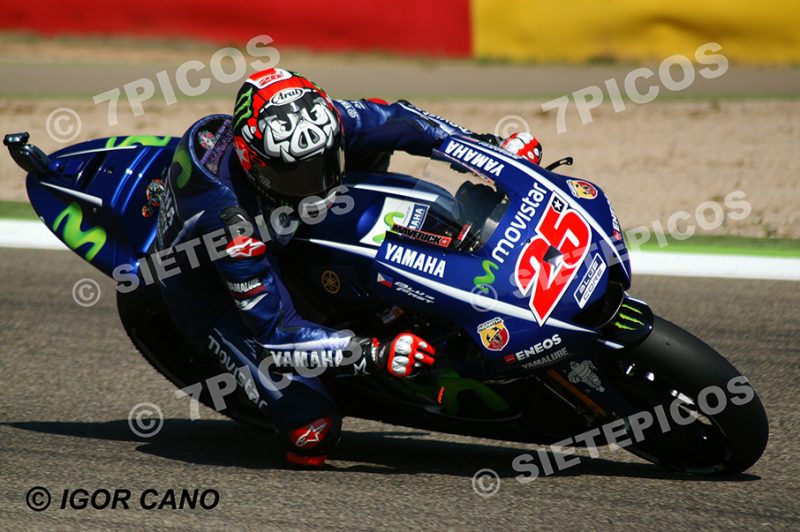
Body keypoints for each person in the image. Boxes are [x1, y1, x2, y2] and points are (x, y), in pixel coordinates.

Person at [155, 67, 543, 467]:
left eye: (322, 165)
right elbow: (276, 332)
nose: (316, 186)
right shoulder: (234, 229)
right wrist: (372, 354)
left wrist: (493, 152)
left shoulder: (323, 121)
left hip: (283, 223)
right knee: (312, 431)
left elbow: (410, 123)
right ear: (254, 164)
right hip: (209, 291)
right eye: (295, 175)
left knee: (377, 152)